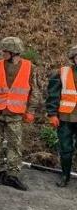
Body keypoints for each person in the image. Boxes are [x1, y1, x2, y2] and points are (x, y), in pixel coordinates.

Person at [0, 36, 34, 191]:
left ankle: (12, 175)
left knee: (15, 144)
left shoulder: (29, 67)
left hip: (15, 113)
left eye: (5, 51)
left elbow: (34, 91)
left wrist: (31, 111)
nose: (2, 53)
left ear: (14, 52)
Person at [45, 44, 77, 188]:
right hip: (65, 118)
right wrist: (52, 114)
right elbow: (53, 95)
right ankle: (65, 176)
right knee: (65, 149)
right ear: (73, 58)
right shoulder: (62, 73)